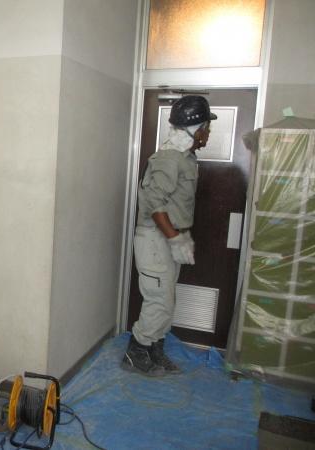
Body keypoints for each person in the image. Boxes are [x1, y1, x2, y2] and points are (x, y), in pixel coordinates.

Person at [122, 95, 217, 377]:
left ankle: (154, 350)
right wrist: (175, 238)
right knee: (158, 300)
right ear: (194, 128)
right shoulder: (169, 158)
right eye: (206, 127)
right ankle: (136, 352)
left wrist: (179, 236)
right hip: (156, 238)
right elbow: (155, 204)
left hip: (169, 236)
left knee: (167, 299)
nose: (208, 133)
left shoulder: (185, 157)